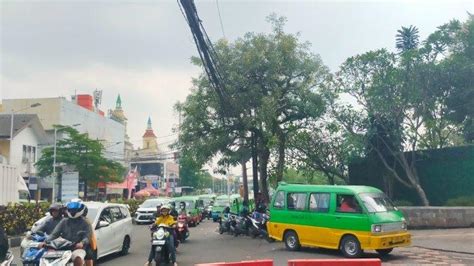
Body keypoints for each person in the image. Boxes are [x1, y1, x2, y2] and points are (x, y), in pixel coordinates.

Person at [43, 201, 92, 266]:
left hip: (77, 248)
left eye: (74, 210)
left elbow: (87, 236)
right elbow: (54, 234)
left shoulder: (85, 223)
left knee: (78, 258)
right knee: (47, 257)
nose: (72, 212)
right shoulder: (64, 221)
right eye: (71, 210)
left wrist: (82, 243)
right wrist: (45, 242)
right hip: (63, 247)